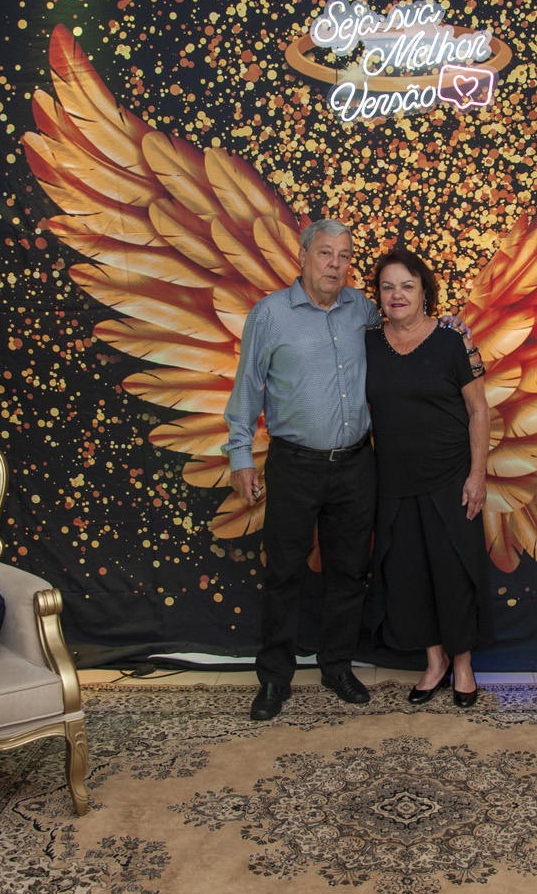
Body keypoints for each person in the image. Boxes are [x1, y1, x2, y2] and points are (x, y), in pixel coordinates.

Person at [224, 218, 378, 721]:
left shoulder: (363, 310)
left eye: (344, 256)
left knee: (349, 572)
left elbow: (406, 340)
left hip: (355, 463)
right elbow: (247, 387)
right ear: (304, 256)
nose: (335, 264)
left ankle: (337, 666)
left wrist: (451, 330)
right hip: (294, 465)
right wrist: (241, 456)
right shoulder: (270, 314)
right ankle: (274, 678)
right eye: (326, 253)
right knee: (283, 573)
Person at [364, 247, 493, 707]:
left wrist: (477, 476)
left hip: (450, 479)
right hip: (393, 483)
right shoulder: (366, 344)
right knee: (409, 577)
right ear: (378, 295)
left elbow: (479, 410)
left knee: (454, 574)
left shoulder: (453, 341)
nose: (397, 295)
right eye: (388, 287)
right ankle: (434, 663)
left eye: (407, 285)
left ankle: (463, 665)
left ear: (425, 292)